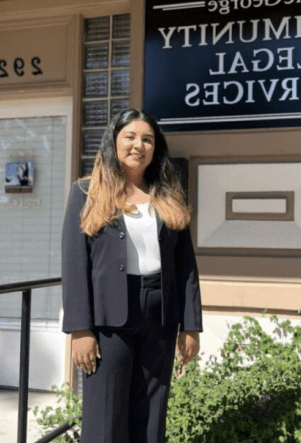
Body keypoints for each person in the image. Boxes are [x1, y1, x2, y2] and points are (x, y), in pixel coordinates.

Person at [61, 108, 202, 443]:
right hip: (109, 321)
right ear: (115, 141)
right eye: (131, 136)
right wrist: (80, 329)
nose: (139, 145)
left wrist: (191, 325)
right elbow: (74, 263)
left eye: (147, 139)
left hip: (160, 318)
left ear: (156, 148)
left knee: (151, 416)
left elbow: (185, 265)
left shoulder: (167, 196)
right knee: (104, 418)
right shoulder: (86, 193)